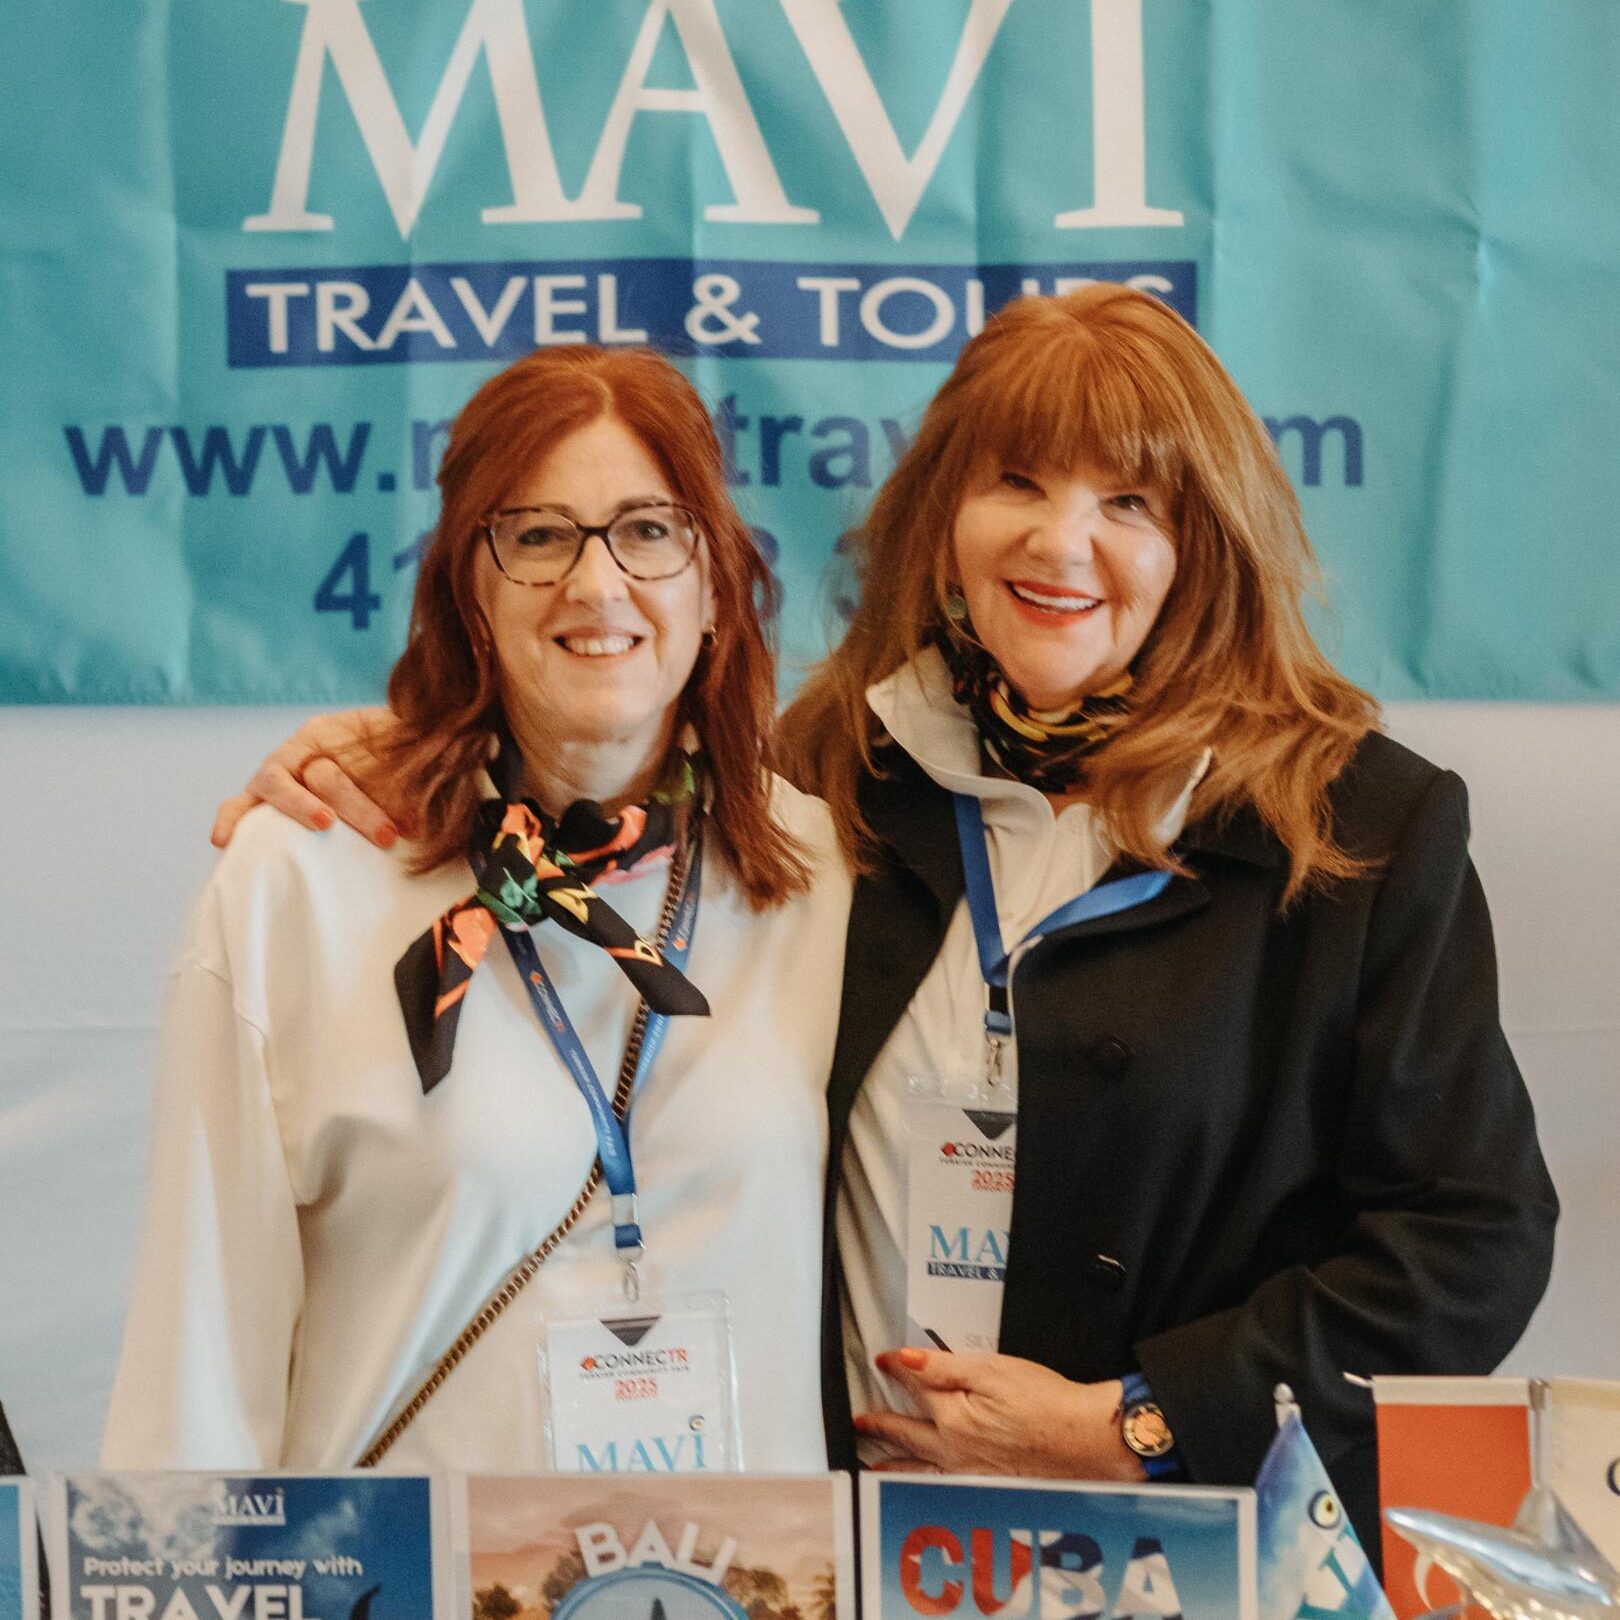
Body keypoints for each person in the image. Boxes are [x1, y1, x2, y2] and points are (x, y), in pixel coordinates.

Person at [215, 287, 1556, 1549]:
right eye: (1016, 482)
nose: (1059, 542)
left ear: (1202, 543)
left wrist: (1138, 1423)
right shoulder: (836, 783)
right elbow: (590, 752)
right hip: (860, 1559)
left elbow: (1469, 1245)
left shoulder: (1350, 828)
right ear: (944, 516)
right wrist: (392, 750)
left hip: (1192, 1555)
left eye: (1128, 501)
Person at [104, 345, 850, 1472]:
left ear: (715, 590)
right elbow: (196, 1367)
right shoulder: (304, 878)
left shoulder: (821, 878)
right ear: (471, 592)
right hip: (392, 1562)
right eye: (538, 537)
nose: (596, 585)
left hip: (733, 1563)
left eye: (650, 530)